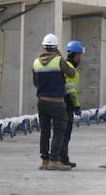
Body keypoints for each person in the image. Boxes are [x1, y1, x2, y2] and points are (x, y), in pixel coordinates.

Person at [32, 34, 76, 171]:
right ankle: (54, 160)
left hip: (42, 101)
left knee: (44, 132)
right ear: (56, 47)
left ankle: (44, 160)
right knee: (59, 130)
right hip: (57, 102)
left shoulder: (36, 63)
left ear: (44, 47)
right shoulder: (59, 61)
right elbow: (71, 73)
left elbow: (35, 83)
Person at [61, 40, 85, 168]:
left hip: (59, 102)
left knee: (60, 132)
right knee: (65, 133)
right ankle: (63, 158)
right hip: (67, 104)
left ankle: (60, 157)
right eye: (80, 55)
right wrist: (77, 106)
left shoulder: (63, 65)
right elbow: (72, 91)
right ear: (76, 55)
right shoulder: (72, 70)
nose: (80, 58)